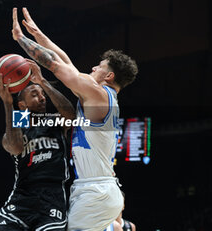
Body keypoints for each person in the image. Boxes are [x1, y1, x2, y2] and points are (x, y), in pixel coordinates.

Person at [11, 7, 138, 231]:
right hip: (90, 189)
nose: (92, 67)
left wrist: (22, 40)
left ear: (109, 76)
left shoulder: (98, 95)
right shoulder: (96, 96)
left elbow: (56, 65)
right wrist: (38, 34)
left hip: (94, 191)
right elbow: (65, 61)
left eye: (99, 66)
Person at [0, 59, 75, 230]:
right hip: (24, 192)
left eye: (42, 94)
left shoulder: (53, 120)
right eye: (35, 94)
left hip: (53, 193)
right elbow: (15, 147)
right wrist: (8, 103)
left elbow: (71, 116)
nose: (42, 97)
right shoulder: (18, 122)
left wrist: (42, 81)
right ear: (22, 105)